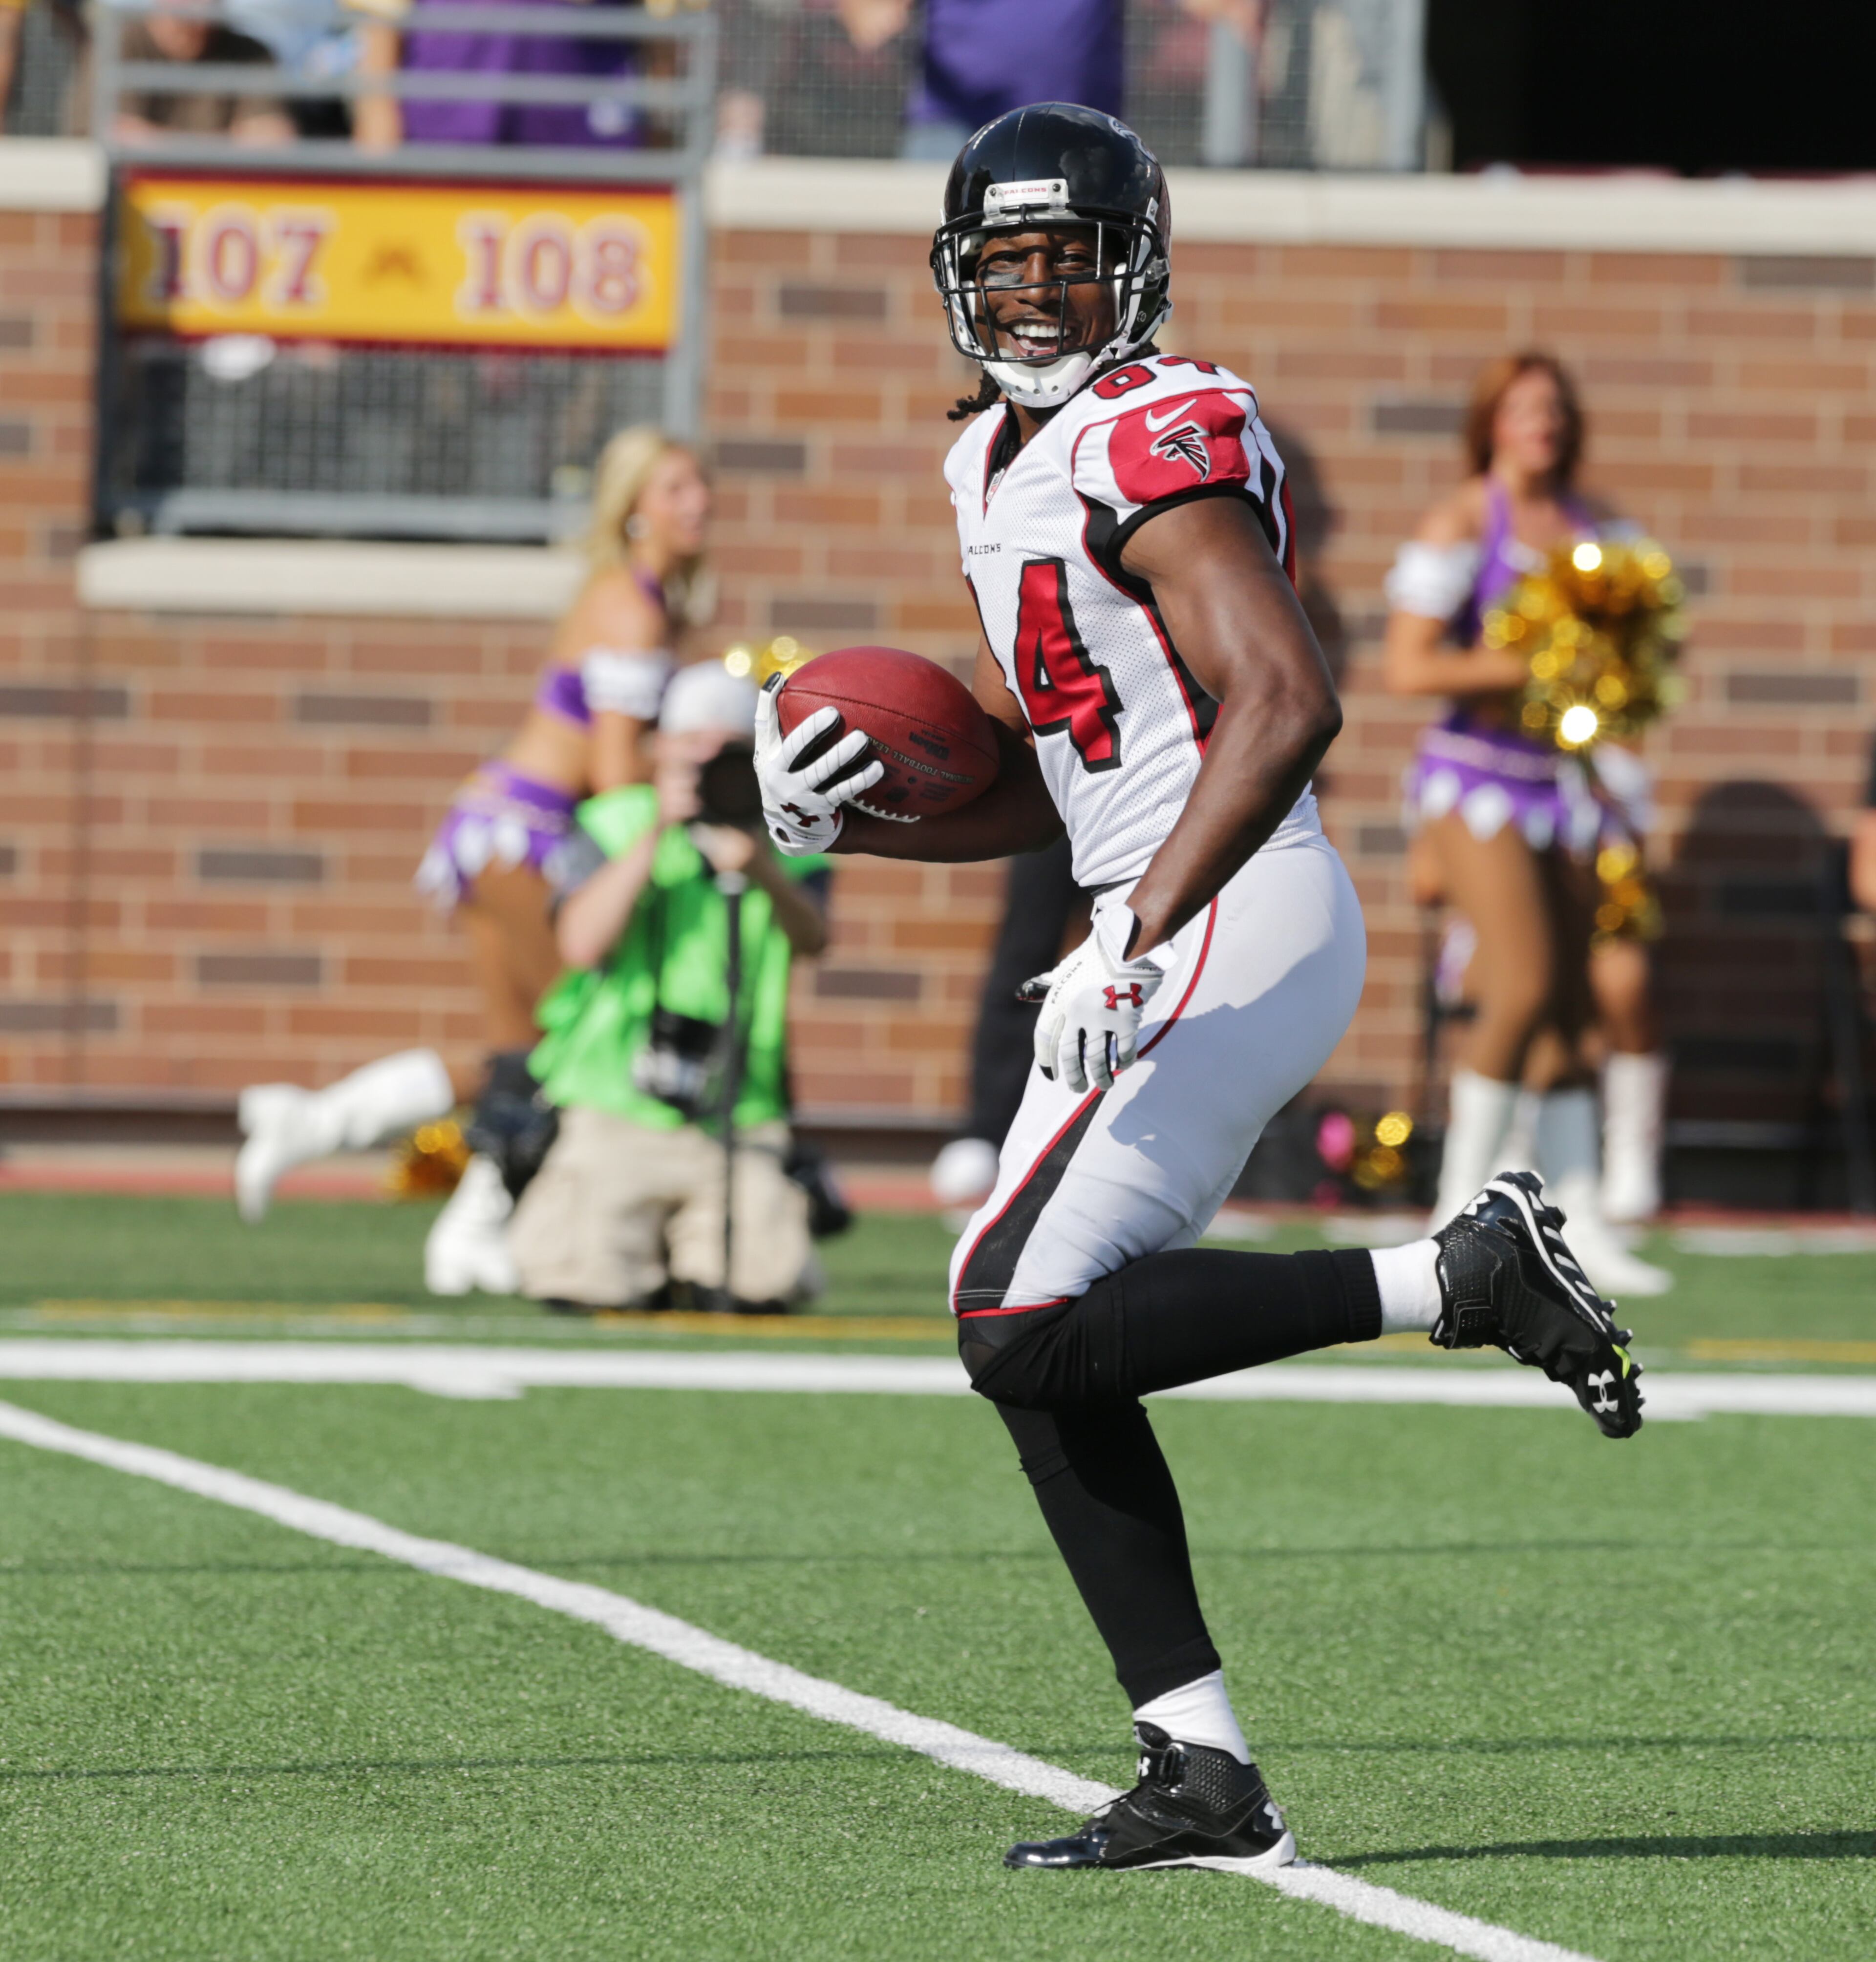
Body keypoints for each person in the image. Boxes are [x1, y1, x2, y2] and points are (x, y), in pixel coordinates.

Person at [753, 103, 1645, 1876]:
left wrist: (1139, 930)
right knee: (1038, 1339)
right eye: (1001, 261)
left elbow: (1286, 698)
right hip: (1158, 908)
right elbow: (1069, 760)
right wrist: (854, 819)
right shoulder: (990, 464)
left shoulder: (1160, 428)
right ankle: (1200, 1765)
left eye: (1066, 257)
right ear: (954, 276)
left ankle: (1457, 1272)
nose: (1032, 293)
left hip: (1229, 910)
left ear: (1134, 267)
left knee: (1009, 1307)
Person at [235, 430, 710, 1294]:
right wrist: (705, 760)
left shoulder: (654, 601)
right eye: (675, 488)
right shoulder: (632, 604)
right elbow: (612, 773)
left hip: (504, 827)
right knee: (564, 1049)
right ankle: (472, 1223)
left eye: (700, 487)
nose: (697, 504)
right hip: (526, 836)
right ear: (633, 505)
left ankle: (317, 1124)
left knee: (516, 1050)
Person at [1382, 352, 1671, 1295]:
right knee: (1523, 985)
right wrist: (1535, 663)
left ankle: (1576, 1218)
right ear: (1492, 422)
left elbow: (1636, 646)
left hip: (1566, 785)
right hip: (1475, 785)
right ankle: (1455, 1221)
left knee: (1575, 1004)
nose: (1542, 424)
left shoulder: (1596, 525)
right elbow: (1410, 669)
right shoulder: (1468, 518)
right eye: (1523, 409)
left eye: (1555, 408)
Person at [508, 661, 831, 1313]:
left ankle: (688, 1260)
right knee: (582, 1280)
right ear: (662, 749)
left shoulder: (792, 833)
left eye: (729, 755)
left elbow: (815, 940)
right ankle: (654, 1257)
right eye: (695, 749)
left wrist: (762, 867)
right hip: (613, 1099)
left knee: (763, 1285)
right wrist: (660, 831)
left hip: (739, 1108)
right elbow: (580, 943)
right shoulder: (612, 822)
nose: (711, 768)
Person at [111, 0, 296, 143]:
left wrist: (153, 139)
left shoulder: (252, 54)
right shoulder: (117, 44)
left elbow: (273, 138)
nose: (194, 10)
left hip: (225, 190)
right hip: (133, 190)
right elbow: (114, 134)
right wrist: (227, 144)